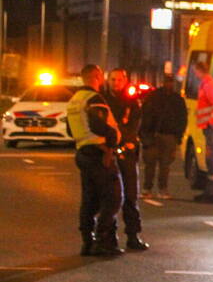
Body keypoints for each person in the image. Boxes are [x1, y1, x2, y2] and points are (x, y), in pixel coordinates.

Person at [67, 64, 124, 256]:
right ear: (97, 76)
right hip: (100, 153)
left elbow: (70, 129)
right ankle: (103, 241)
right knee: (114, 197)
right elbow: (98, 124)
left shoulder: (74, 100)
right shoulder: (94, 98)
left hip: (83, 152)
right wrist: (112, 139)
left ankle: (87, 242)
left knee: (89, 199)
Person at [102, 68, 148, 250]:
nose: (115, 83)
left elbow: (134, 126)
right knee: (109, 197)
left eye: (119, 80)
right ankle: (109, 236)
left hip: (127, 153)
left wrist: (126, 141)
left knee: (130, 195)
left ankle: (133, 235)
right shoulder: (102, 100)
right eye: (112, 80)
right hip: (108, 152)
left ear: (125, 80)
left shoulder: (132, 102)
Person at [140, 74, 188, 200]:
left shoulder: (175, 99)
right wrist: (145, 134)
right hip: (154, 134)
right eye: (168, 81)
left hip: (168, 135)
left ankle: (161, 189)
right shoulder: (155, 97)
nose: (169, 84)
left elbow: (182, 119)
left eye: (171, 82)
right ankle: (148, 188)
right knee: (151, 164)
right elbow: (145, 116)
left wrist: (178, 135)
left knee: (164, 165)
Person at [193, 59, 213, 203]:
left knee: (211, 159)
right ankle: (211, 191)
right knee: (210, 158)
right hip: (209, 127)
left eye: (195, 70)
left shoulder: (209, 85)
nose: (194, 73)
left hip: (212, 127)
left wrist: (212, 122)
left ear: (199, 70)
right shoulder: (206, 84)